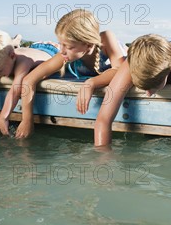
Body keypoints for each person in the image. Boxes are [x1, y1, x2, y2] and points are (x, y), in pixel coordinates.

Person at [15, 8, 126, 138]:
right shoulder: (65, 54)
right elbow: (29, 79)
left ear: (88, 45)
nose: (62, 51)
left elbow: (120, 70)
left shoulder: (106, 38)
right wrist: (27, 120)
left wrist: (91, 83)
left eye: (68, 46)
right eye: (60, 44)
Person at [0, 30, 59, 135]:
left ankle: (15, 41)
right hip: (32, 47)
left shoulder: (23, 62)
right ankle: (16, 41)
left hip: (51, 50)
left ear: (12, 56)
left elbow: (15, 90)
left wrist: (3, 117)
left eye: (0, 71)